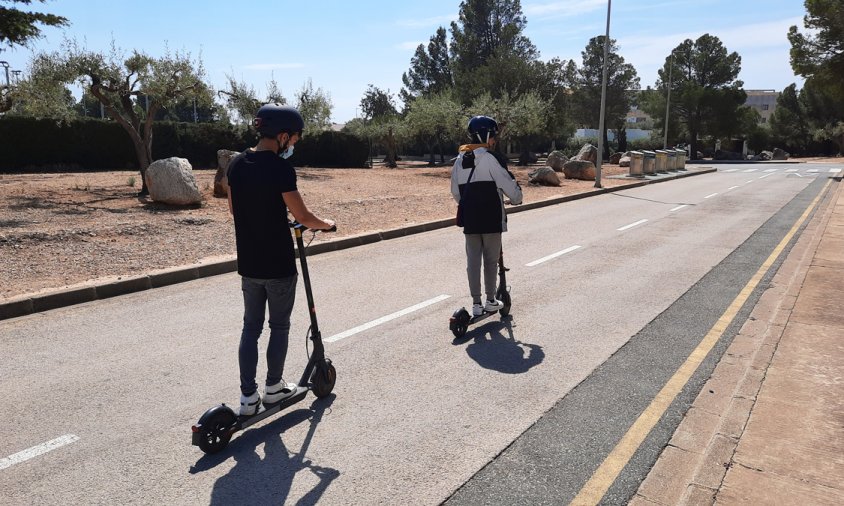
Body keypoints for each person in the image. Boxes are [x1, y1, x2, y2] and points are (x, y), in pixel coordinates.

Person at [227, 104, 335, 416]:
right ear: (283, 136)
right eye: (294, 139)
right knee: (279, 326)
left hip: (249, 262)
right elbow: (302, 215)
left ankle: (248, 397)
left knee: (250, 328)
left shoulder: (235, 164)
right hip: (277, 263)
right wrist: (326, 224)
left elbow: (236, 210)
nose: (294, 145)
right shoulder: (280, 169)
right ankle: (273, 388)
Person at [451, 115, 522, 317]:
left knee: (473, 262)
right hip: (491, 219)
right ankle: (491, 300)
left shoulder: (459, 160)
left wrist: (471, 205)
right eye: (493, 136)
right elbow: (508, 184)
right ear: (486, 134)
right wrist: (517, 198)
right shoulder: (490, 159)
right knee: (491, 261)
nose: (494, 141)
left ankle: (476, 304)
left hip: (471, 221)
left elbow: (456, 192)